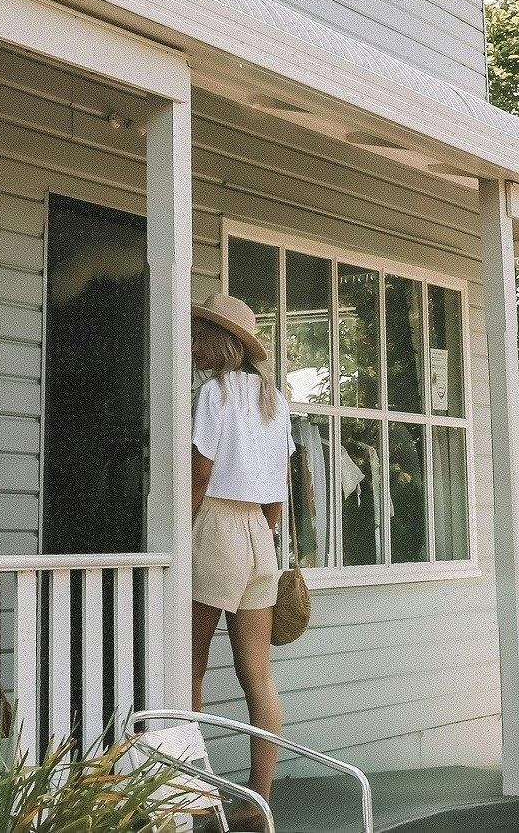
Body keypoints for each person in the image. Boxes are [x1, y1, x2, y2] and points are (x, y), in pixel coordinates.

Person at [189, 292, 293, 824]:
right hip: (259, 534)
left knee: (190, 663)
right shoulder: (273, 400)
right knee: (258, 675)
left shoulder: (214, 394)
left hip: (218, 525)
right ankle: (260, 798)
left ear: (222, 343)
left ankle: (190, 794)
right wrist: (265, 533)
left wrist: (186, 529)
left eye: (202, 335)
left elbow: (201, 473)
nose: (194, 343)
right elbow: (280, 486)